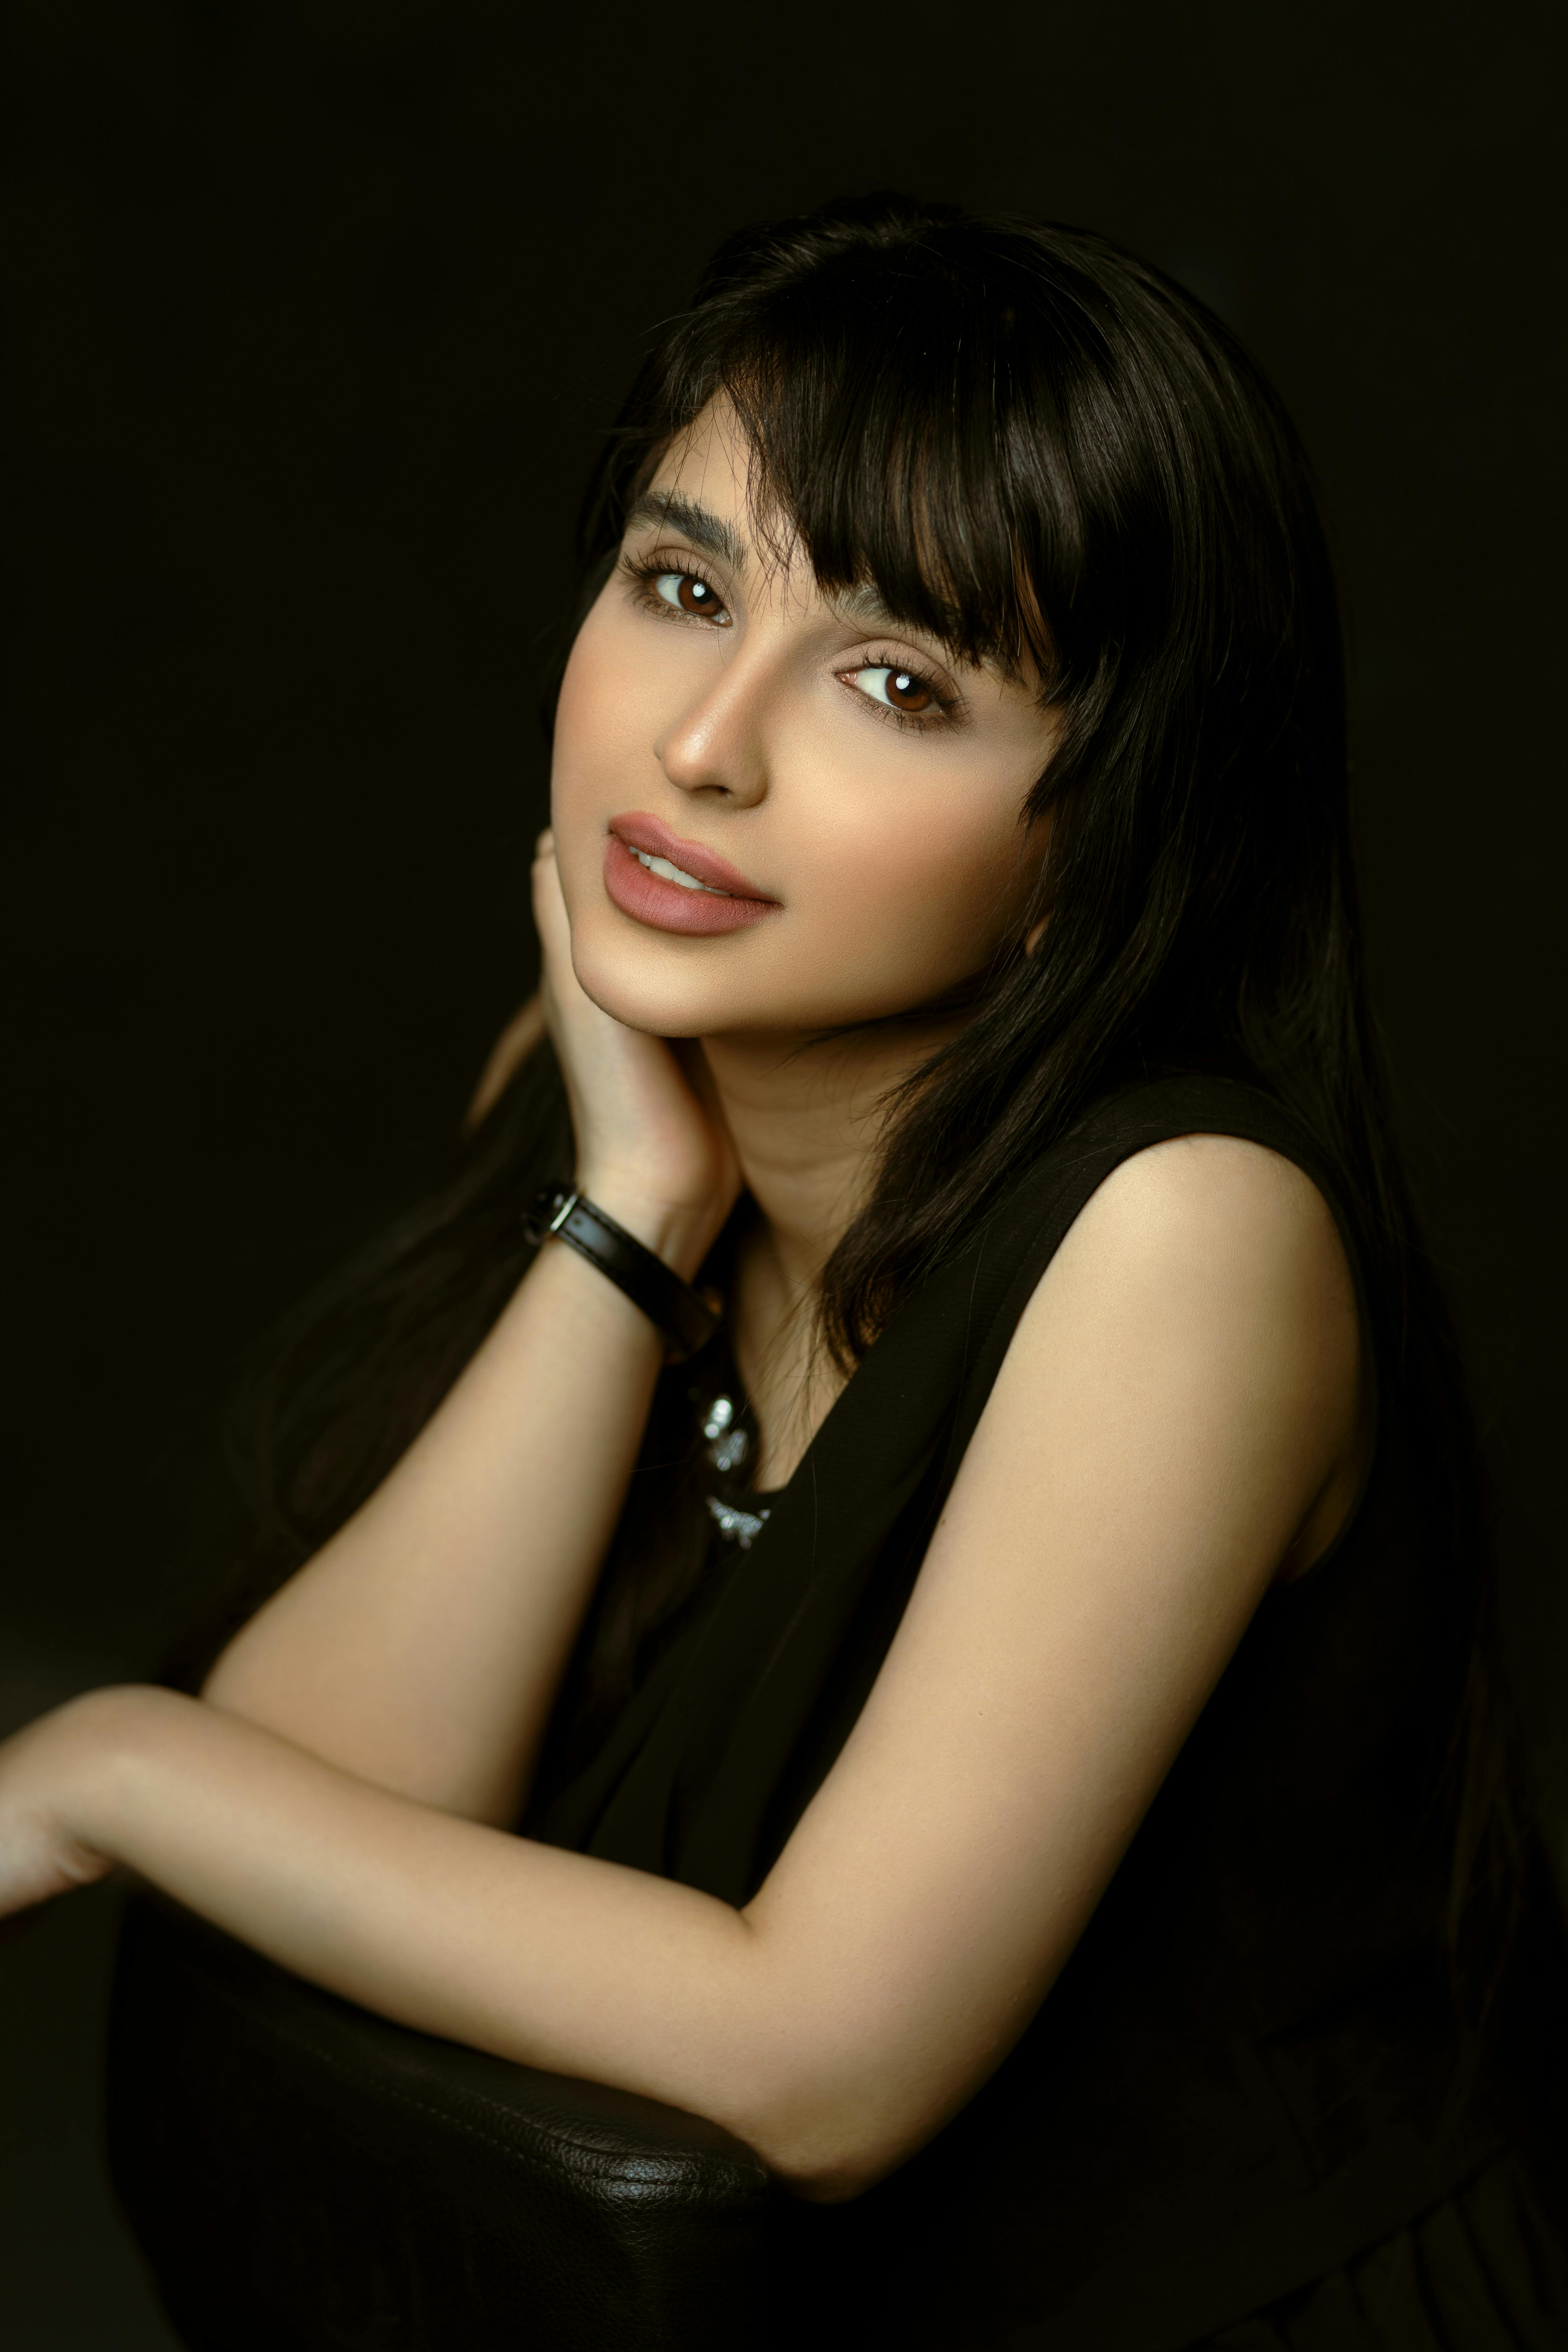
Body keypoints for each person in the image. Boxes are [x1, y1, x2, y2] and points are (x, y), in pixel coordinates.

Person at [2, 194, 1564, 2348]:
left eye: (899, 683)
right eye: (681, 583)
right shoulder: (617, 1100)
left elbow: (820, 2062)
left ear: (1090, 850)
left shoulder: (1184, 1242)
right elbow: (351, 1798)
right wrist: (629, 1216)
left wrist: (110, 1768)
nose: (705, 743)